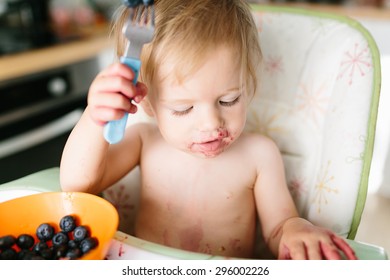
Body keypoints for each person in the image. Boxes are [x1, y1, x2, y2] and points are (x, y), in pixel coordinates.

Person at [60, 0, 357, 260]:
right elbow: (78, 186)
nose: (211, 123)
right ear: (149, 104)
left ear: (248, 84)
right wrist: (94, 117)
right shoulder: (144, 142)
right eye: (183, 109)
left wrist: (295, 230)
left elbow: (280, 227)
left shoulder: (259, 155)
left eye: (229, 100)